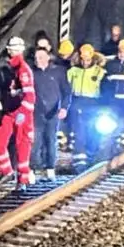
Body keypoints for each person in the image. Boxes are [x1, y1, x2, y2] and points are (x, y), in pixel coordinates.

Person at [0, 36, 37, 188]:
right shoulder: (9, 69)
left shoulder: (23, 70)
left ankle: (23, 179)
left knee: (22, 146)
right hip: (10, 112)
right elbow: (3, 88)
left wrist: (22, 113)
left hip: (21, 114)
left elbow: (30, 96)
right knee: (0, 142)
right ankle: (7, 172)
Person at [30, 47, 71, 181]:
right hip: (36, 113)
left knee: (50, 140)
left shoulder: (58, 72)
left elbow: (66, 92)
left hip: (53, 113)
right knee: (35, 142)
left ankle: (50, 169)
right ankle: (33, 169)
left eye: (41, 57)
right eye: (36, 58)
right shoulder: (32, 73)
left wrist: (64, 108)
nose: (38, 60)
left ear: (48, 57)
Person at [67, 44, 107, 167]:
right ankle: (80, 158)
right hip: (77, 102)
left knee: (93, 129)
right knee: (79, 130)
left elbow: (105, 89)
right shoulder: (73, 71)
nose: (85, 62)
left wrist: (104, 107)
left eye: (88, 59)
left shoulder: (100, 72)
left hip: (94, 103)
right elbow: (67, 88)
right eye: (83, 59)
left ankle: (92, 153)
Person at [54, 39, 77, 150]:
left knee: (70, 118)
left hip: (71, 93)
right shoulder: (63, 64)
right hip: (66, 93)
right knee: (64, 118)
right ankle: (63, 141)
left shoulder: (72, 64)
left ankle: (68, 140)